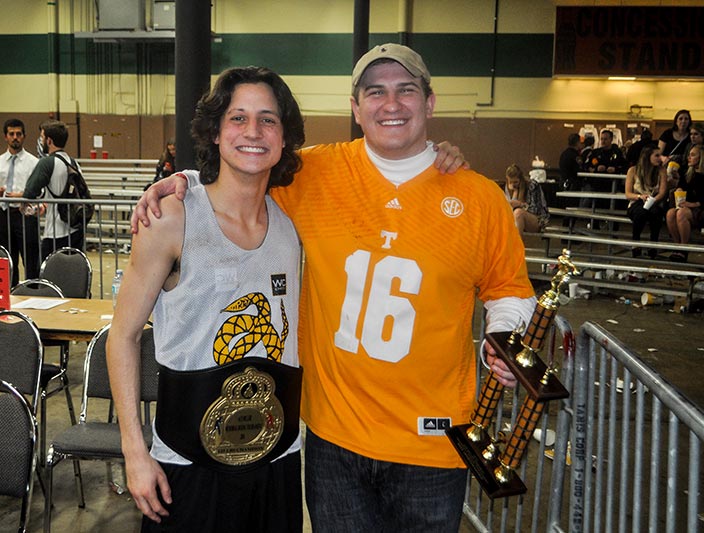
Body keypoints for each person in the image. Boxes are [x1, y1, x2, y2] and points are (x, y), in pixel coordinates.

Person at [134, 44, 533, 532]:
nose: (391, 104)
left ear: (429, 103)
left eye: (406, 91)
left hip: (432, 443)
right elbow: (245, 165)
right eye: (375, 92)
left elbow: (508, 289)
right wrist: (181, 182)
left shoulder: (479, 198)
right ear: (355, 107)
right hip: (333, 440)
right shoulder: (316, 174)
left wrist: (504, 336)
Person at [108, 66, 307, 532]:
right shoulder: (172, 216)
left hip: (276, 455)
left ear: (284, 138)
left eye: (268, 120)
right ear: (216, 131)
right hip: (187, 460)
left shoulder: (294, 222)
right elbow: (122, 335)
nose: (253, 132)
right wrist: (134, 452)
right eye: (238, 118)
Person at [0, 119, 40, 283]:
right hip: (4, 214)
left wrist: (22, 195)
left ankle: (32, 291)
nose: (15, 137)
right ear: (5, 137)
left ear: (24, 136)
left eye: (19, 134)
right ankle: (10, 293)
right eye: (11, 134)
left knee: (30, 258)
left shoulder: (34, 163)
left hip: (25, 214)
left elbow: (39, 190)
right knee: (7, 258)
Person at [23, 119, 85, 260]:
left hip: (55, 232)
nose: (41, 141)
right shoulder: (73, 162)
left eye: (42, 137)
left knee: (50, 275)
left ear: (49, 141)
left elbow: (30, 191)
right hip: (75, 229)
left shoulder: (47, 163)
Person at [625, 146, 667, 258]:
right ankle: (636, 242)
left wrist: (653, 200)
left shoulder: (662, 171)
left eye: (660, 155)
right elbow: (628, 194)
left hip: (654, 201)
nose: (660, 158)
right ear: (648, 157)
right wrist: (640, 196)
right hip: (637, 201)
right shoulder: (633, 170)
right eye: (656, 155)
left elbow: (662, 192)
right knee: (640, 213)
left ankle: (653, 245)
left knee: (656, 213)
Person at [666, 144, 704, 262]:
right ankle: (677, 246)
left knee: (681, 213)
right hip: (687, 206)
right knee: (670, 213)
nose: (689, 157)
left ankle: (683, 248)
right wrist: (679, 189)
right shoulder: (688, 173)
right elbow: (681, 186)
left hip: (700, 208)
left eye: (692, 155)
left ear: (701, 158)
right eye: (689, 155)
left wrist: (692, 205)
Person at [504, 163, 549, 237]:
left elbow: (535, 210)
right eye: (510, 182)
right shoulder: (509, 187)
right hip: (516, 219)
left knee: (518, 213)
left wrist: (521, 204)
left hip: (538, 219)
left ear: (521, 179)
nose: (513, 185)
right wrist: (515, 193)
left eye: (516, 182)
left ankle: (516, 246)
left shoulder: (532, 185)